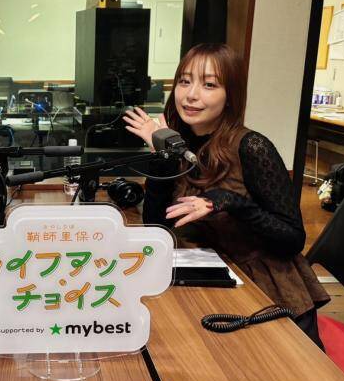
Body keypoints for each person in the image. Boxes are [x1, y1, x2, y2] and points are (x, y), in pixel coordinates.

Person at [123, 43, 329, 348]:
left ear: (230, 95)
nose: (191, 95)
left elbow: (292, 239)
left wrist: (230, 202)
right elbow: (157, 225)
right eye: (184, 81)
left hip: (266, 291)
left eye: (209, 85)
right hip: (209, 281)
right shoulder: (179, 142)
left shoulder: (252, 147)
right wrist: (161, 157)